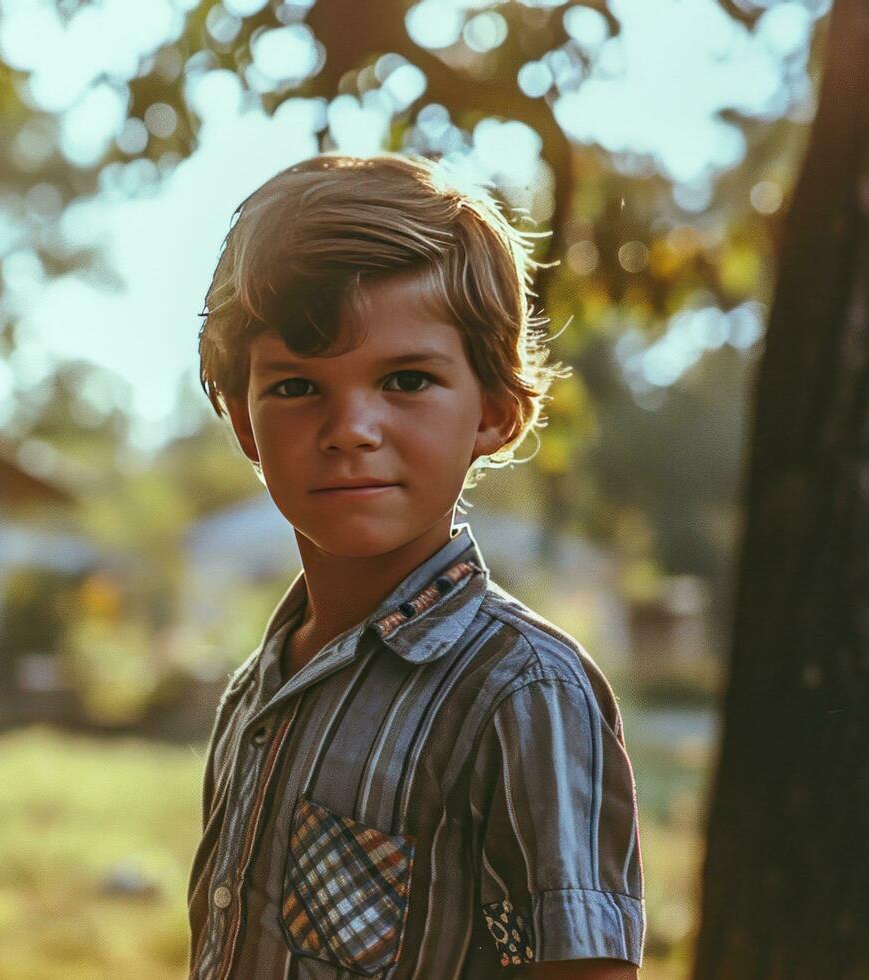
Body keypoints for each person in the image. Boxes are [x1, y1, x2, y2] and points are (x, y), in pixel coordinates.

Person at [187, 153, 645, 980]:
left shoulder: (523, 693)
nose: (350, 428)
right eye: (295, 387)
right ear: (245, 426)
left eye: (406, 380)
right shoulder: (257, 693)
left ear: (495, 414)